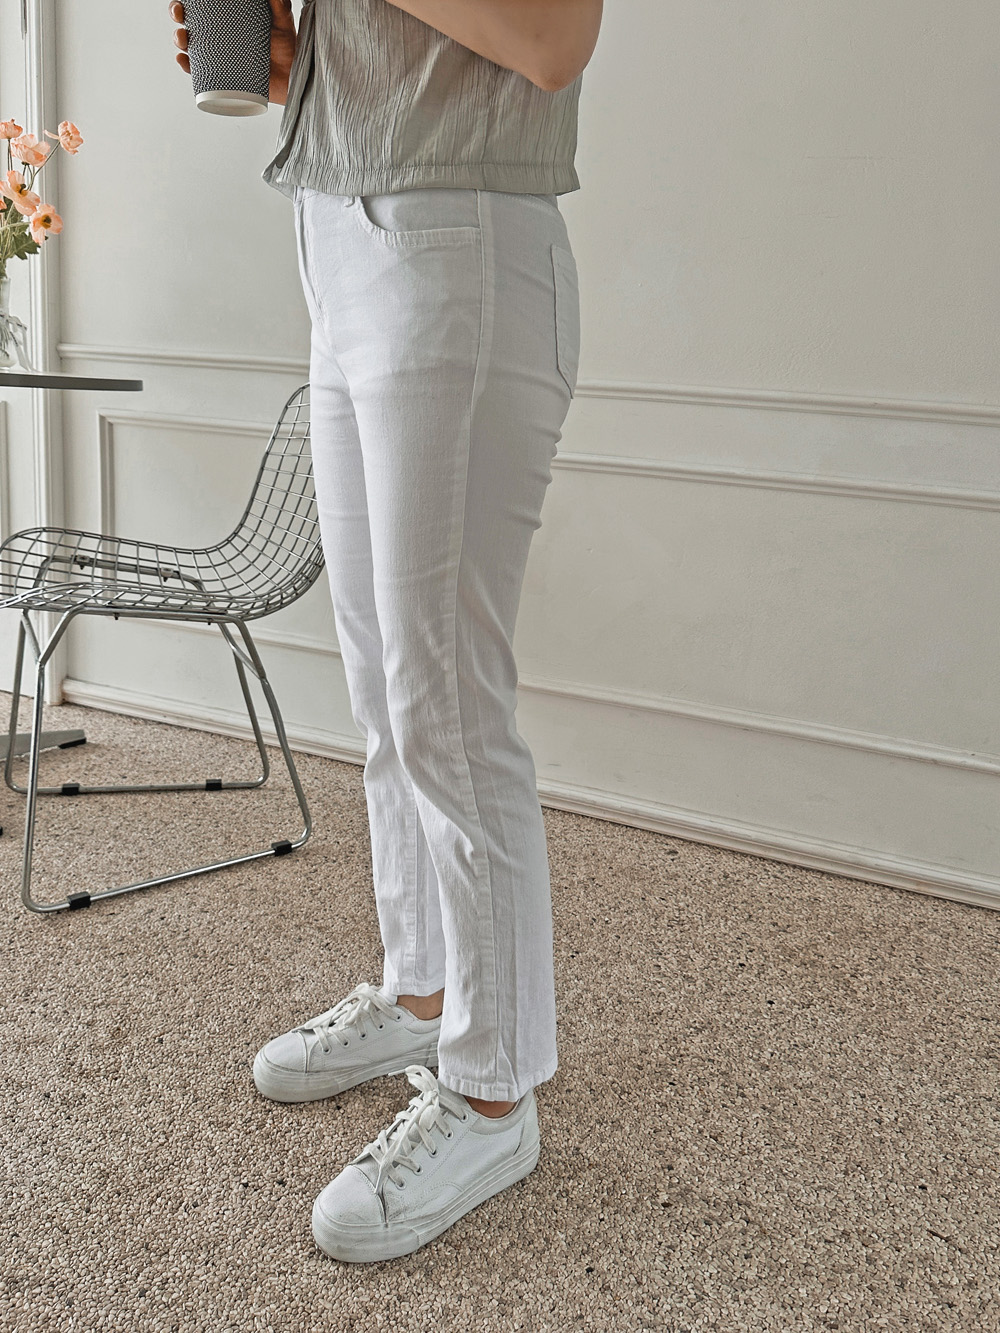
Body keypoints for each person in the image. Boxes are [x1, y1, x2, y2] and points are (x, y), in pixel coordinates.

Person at [170, 0, 599, 1264]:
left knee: (445, 701)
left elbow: (552, 39)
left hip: (458, 234)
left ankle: (492, 1090)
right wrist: (301, 58)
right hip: (338, 229)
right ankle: (422, 988)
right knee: (382, 683)